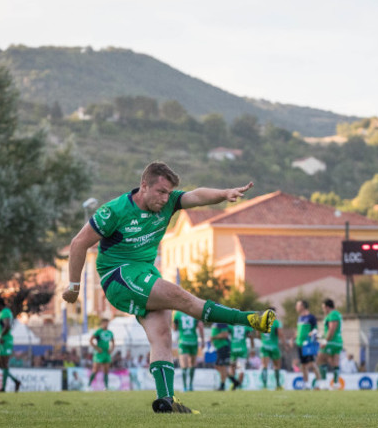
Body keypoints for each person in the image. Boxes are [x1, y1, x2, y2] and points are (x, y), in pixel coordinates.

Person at [62, 162, 275, 413]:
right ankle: (250, 319)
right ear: (144, 186)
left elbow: (196, 195)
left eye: (168, 193)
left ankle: (167, 401)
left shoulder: (170, 201)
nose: (165, 199)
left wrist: (224, 193)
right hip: (119, 275)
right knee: (179, 295)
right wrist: (74, 286)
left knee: (162, 335)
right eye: (160, 192)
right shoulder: (115, 210)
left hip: (145, 273)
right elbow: (78, 243)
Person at [173, 310, 204, 392]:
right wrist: (203, 340)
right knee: (192, 364)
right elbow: (200, 327)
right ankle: (190, 385)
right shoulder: (195, 312)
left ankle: (185, 387)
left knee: (184, 365)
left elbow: (175, 328)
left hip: (183, 341)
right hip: (193, 341)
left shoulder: (178, 313)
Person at [0, 297, 21, 392]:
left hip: (5, 341)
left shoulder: (5, 312)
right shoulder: (3, 312)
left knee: (4, 364)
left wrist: (1, 335)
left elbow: (7, 325)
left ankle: (3, 387)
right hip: (2, 341)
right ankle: (15, 381)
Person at [293, 300, 321, 390]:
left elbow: (316, 329)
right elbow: (298, 331)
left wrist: (312, 333)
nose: (296, 307)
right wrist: (293, 339)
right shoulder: (299, 318)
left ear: (303, 306)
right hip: (299, 343)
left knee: (312, 364)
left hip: (308, 344)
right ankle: (307, 384)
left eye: (298, 305)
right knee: (303, 365)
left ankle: (319, 383)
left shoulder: (311, 317)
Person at [317, 298, 343, 389]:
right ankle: (336, 384)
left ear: (327, 307)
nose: (323, 310)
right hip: (338, 342)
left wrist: (325, 341)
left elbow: (332, 329)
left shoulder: (333, 314)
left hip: (331, 341)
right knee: (334, 362)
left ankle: (324, 383)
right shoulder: (337, 314)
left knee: (320, 359)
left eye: (323, 308)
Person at [260, 307, 285, 390]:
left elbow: (257, 333)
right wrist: (285, 345)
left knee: (264, 366)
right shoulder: (276, 322)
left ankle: (264, 385)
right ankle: (277, 385)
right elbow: (280, 334)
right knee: (277, 366)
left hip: (264, 346)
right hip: (274, 346)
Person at [211, 322, 240, 391]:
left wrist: (213, 337)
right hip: (219, 348)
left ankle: (222, 386)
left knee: (222, 367)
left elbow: (225, 334)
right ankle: (234, 381)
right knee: (218, 366)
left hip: (223, 348)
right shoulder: (216, 323)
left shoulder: (221, 322)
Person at [88, 318, 114, 390]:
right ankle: (89, 385)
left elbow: (113, 343)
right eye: (105, 323)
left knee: (106, 370)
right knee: (95, 370)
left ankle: (106, 387)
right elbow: (91, 341)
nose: (106, 324)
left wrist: (111, 350)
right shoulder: (98, 332)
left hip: (106, 353)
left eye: (107, 323)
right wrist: (97, 348)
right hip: (99, 353)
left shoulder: (110, 332)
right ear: (102, 323)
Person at [229, 324, 255, 390]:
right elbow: (251, 336)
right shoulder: (246, 327)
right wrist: (252, 348)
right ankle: (239, 385)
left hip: (233, 348)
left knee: (232, 367)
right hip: (242, 350)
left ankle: (234, 383)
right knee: (241, 369)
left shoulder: (231, 326)